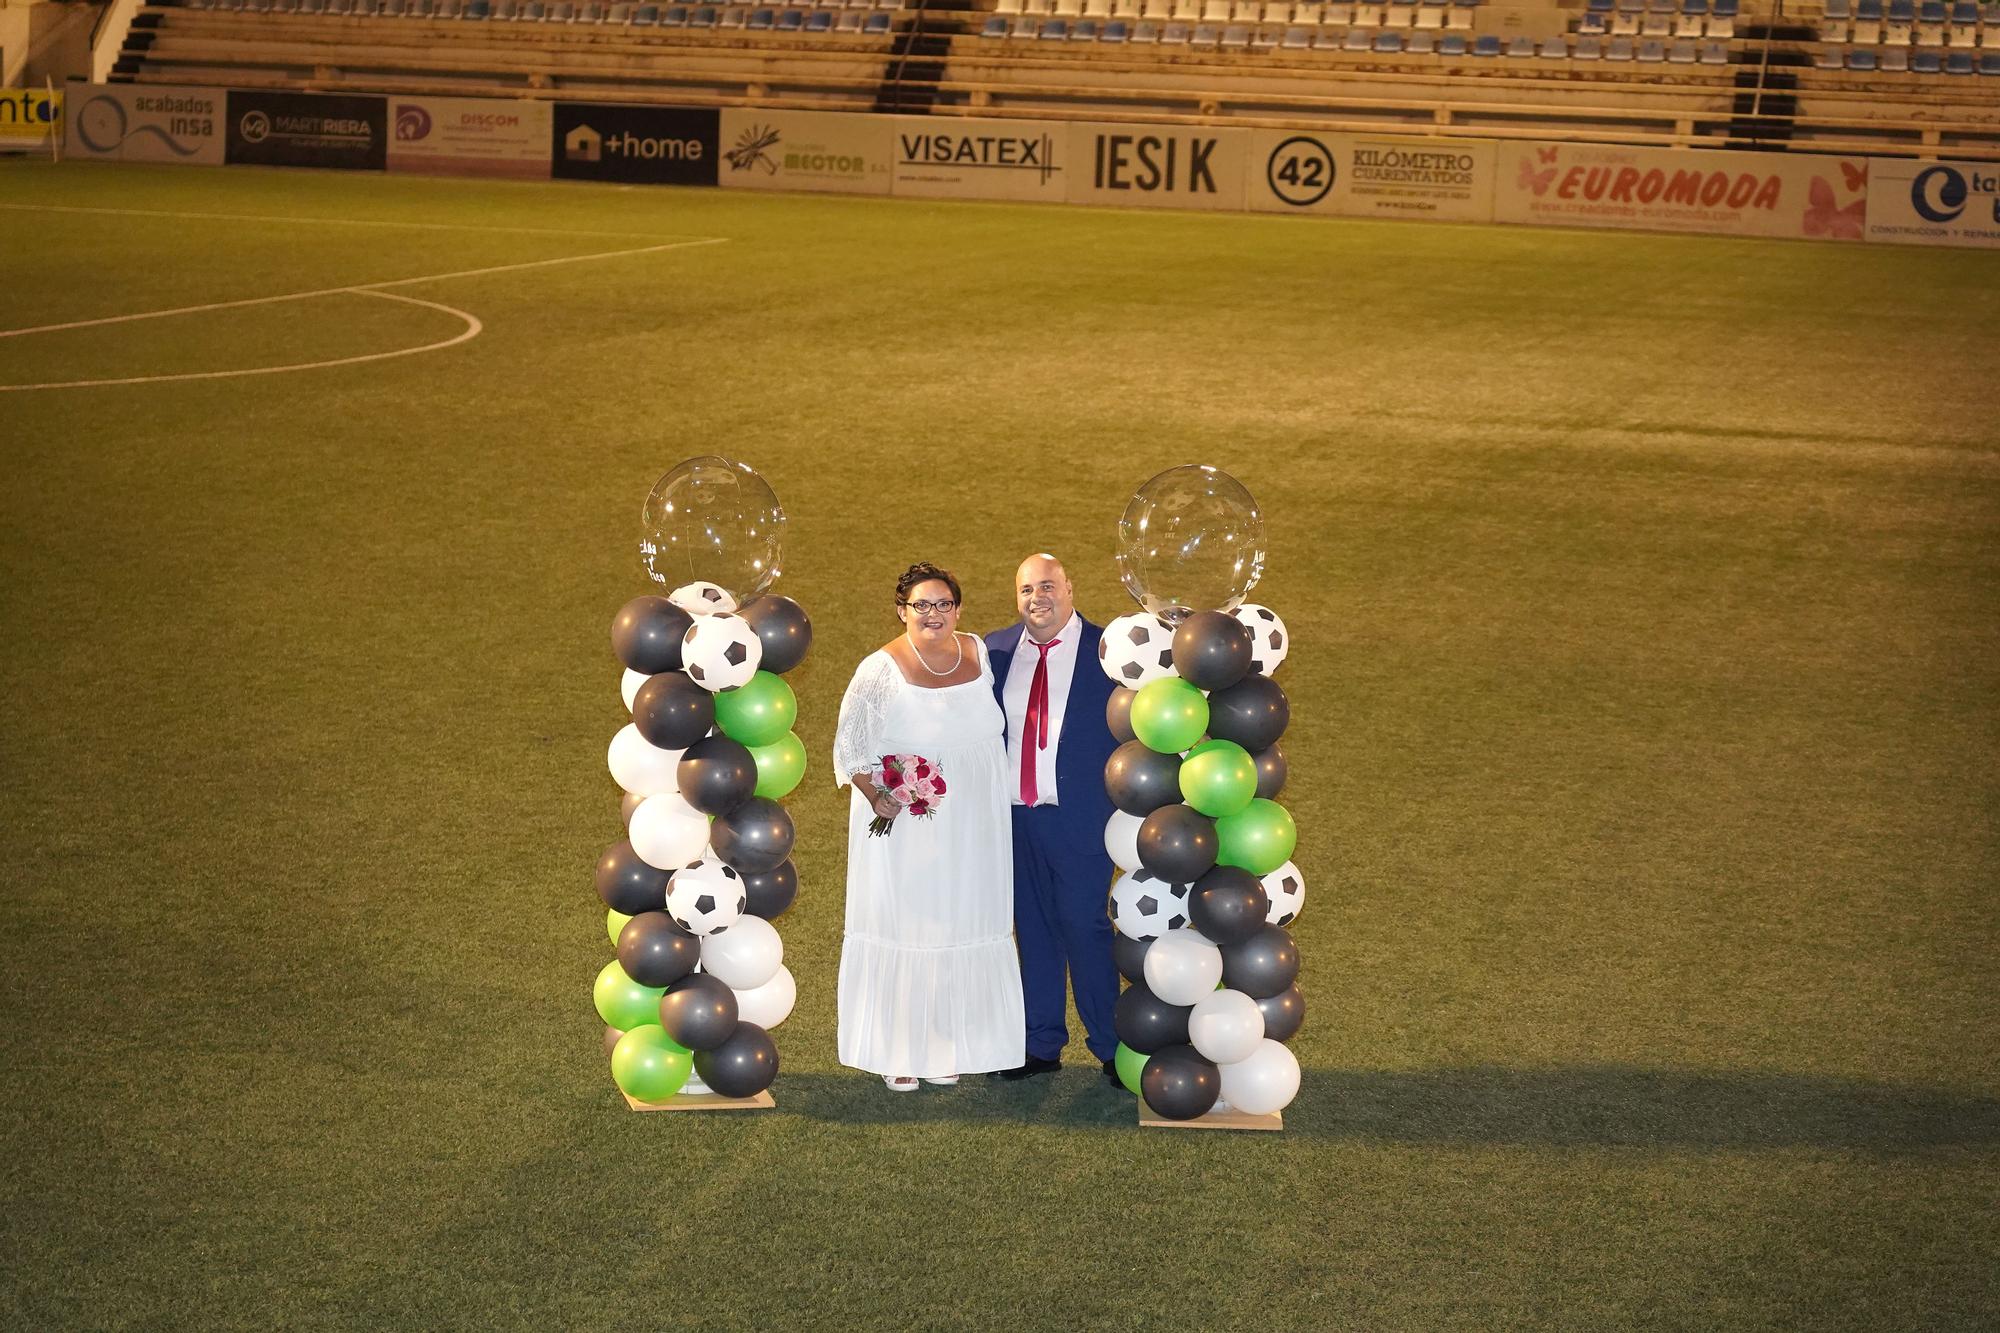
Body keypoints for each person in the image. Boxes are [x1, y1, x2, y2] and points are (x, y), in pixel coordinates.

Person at [834, 562, 1026, 1091]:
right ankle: (898, 1051)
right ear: (902, 610)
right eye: (922, 605)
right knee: (909, 923)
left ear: (958, 610)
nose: (934, 614)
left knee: (960, 919)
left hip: (976, 824)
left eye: (943, 604)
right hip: (909, 824)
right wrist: (880, 797)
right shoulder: (879, 668)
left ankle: (945, 1043)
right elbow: (850, 747)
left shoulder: (980, 654)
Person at [984, 554, 1123, 1087]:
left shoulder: (1110, 652)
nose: (1036, 598)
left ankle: (1111, 1047)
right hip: (1014, 819)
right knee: (1032, 929)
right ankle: (1039, 1043)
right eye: (1025, 590)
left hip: (1081, 817)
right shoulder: (995, 651)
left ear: (1071, 589)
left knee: (1084, 927)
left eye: (1047, 586)